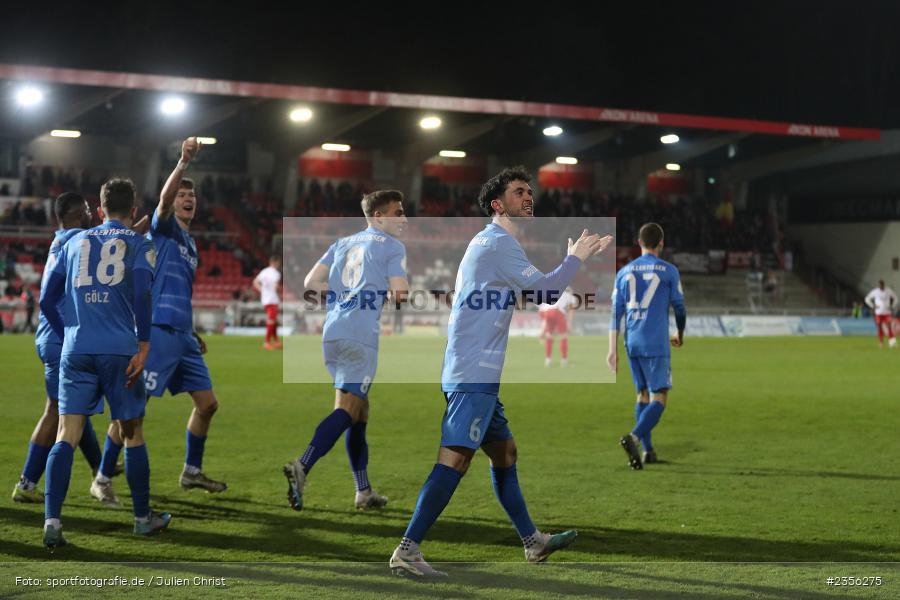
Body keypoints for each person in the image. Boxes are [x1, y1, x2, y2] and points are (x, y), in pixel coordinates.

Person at [389, 166, 612, 577]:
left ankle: (533, 542)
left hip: (480, 371)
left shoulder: (495, 245)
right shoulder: (495, 243)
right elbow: (546, 292)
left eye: (529, 191)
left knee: (504, 453)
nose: (528, 197)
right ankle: (407, 550)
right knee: (454, 460)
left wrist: (567, 264)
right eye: (518, 192)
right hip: (472, 371)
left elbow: (530, 293)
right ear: (497, 204)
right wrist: (575, 257)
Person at [39, 179, 169, 548]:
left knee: (67, 433)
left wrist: (70, 335)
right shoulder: (139, 244)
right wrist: (144, 345)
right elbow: (143, 295)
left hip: (76, 349)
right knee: (132, 431)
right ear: (133, 210)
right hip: (120, 350)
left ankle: (52, 523)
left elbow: (47, 300)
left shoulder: (73, 242)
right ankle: (143, 519)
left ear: (99, 209)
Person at [99, 137, 227, 494]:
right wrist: (183, 163)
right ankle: (103, 477)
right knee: (134, 409)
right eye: (183, 195)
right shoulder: (164, 228)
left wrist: (194, 330)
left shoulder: (191, 243)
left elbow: (180, 290)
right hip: (156, 332)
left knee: (208, 404)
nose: (188, 199)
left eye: (193, 196)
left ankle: (191, 471)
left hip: (182, 335)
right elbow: (165, 202)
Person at [283, 190, 408, 512]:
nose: (404, 219)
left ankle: (363, 492)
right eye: (398, 213)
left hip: (334, 331)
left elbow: (310, 282)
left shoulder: (341, 243)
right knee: (348, 410)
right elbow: (400, 294)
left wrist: (343, 298)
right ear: (378, 217)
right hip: (360, 335)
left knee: (359, 412)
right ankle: (303, 465)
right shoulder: (393, 247)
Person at [11, 193, 116, 505]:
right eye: (86, 211)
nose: (90, 215)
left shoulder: (61, 239)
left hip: (49, 337)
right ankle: (30, 483)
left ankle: (100, 469)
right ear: (76, 214)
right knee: (63, 411)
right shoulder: (77, 238)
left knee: (67, 410)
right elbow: (113, 237)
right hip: (60, 339)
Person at [608, 222, 686, 469]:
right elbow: (680, 307)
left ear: (638, 242)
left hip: (632, 342)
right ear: (661, 243)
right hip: (655, 342)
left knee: (642, 394)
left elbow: (615, 314)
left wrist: (612, 350)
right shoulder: (669, 271)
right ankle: (634, 438)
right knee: (660, 398)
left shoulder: (623, 273)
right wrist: (680, 332)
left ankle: (648, 451)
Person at [537, 285, 577, 367]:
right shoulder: (571, 297)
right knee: (563, 336)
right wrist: (569, 323)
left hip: (548, 312)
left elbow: (543, 310)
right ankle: (564, 361)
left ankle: (548, 360)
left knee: (549, 336)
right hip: (558, 312)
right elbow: (572, 310)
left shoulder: (553, 293)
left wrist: (542, 330)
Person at [253, 255, 283, 349]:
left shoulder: (264, 271)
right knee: (271, 320)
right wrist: (280, 293)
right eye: (278, 263)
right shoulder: (276, 273)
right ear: (276, 262)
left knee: (273, 320)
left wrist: (262, 290)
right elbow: (275, 287)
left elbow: (255, 282)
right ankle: (266, 342)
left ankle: (277, 341)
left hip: (265, 299)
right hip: (272, 299)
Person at [864, 280, 897, 348]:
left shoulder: (888, 291)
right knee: (879, 328)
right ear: (878, 285)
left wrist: (892, 306)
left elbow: (896, 298)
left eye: (882, 285)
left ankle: (892, 343)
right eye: (880, 285)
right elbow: (867, 299)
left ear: (883, 285)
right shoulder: (875, 291)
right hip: (878, 313)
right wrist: (873, 306)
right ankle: (881, 343)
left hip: (887, 313)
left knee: (889, 327)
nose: (881, 286)